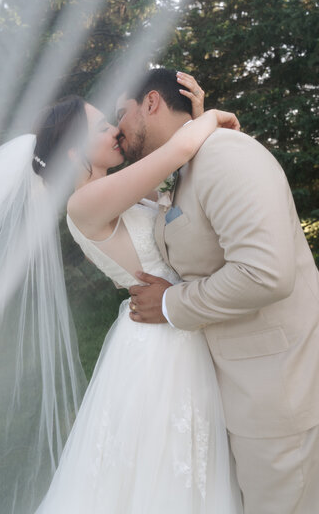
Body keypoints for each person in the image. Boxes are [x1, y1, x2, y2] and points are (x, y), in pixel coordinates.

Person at [118, 68, 319, 514]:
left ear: (151, 102)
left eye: (122, 115)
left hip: (278, 394)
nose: (119, 130)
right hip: (236, 390)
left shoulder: (225, 155)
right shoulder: (189, 168)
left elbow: (264, 272)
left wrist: (170, 303)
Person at [35, 84, 242, 513]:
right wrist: (208, 118)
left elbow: (183, 182)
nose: (115, 130)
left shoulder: (118, 189)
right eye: (102, 126)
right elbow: (177, 151)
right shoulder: (84, 203)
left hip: (176, 323)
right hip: (162, 345)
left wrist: (194, 117)